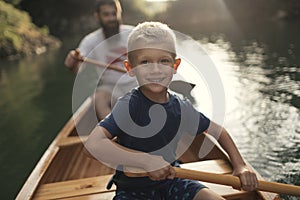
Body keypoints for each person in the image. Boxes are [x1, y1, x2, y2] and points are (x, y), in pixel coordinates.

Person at [84, 21, 258, 200]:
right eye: (145, 62)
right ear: (130, 68)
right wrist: (146, 161)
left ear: (175, 66)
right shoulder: (129, 105)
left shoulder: (181, 105)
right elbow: (92, 145)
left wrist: (240, 165)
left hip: (174, 180)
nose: (155, 69)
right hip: (133, 191)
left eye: (164, 61)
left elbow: (218, 131)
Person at [64, 0, 137, 120]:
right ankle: (114, 133)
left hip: (135, 83)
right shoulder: (90, 41)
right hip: (110, 88)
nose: (111, 18)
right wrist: (72, 63)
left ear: (120, 13)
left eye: (114, 14)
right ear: (97, 16)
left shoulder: (134, 33)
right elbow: (78, 68)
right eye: (106, 14)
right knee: (98, 98)